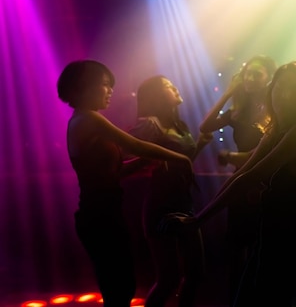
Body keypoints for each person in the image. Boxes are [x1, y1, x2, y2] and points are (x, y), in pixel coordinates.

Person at [166, 61, 296, 307]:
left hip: (287, 242)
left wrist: (198, 220)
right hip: (268, 236)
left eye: (292, 90)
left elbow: (251, 176)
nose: (283, 95)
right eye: (279, 88)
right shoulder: (277, 131)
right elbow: (242, 175)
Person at [56, 60, 193, 307]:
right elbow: (134, 144)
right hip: (98, 215)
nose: (110, 91)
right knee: (119, 288)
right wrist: (178, 157)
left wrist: (144, 162)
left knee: (120, 286)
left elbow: (115, 172)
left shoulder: (86, 121)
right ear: (82, 87)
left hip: (103, 213)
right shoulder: (89, 119)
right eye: (105, 85)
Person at [199, 54, 277, 305]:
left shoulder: (275, 110)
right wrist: (227, 93)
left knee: (263, 246)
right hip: (242, 181)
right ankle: (238, 298)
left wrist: (233, 156)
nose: (251, 78)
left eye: (258, 73)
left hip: (267, 181)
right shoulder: (238, 110)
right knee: (237, 245)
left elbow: (267, 151)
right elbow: (205, 126)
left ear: (269, 79)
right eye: (247, 74)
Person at [128, 75, 212, 307]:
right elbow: (125, 152)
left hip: (185, 204)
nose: (175, 87)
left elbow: (184, 163)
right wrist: (150, 158)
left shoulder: (180, 125)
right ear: (155, 95)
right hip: (160, 205)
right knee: (168, 279)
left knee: (195, 274)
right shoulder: (151, 123)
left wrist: (201, 144)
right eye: (167, 85)